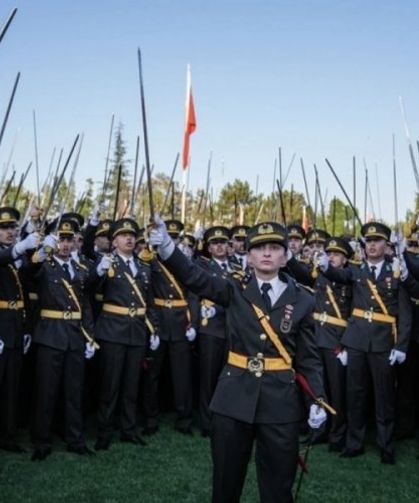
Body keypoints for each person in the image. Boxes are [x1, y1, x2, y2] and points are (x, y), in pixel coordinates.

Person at [150, 217, 327, 503]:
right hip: (233, 398)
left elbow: (308, 358)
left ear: (286, 256)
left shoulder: (303, 299)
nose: (266, 253)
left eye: (273, 247)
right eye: (259, 248)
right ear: (249, 256)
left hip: (280, 402)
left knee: (278, 488)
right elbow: (196, 278)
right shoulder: (233, 287)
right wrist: (169, 249)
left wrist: (317, 398)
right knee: (225, 484)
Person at [319, 222, 412, 464]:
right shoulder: (356, 271)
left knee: (384, 398)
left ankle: (386, 446)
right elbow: (337, 274)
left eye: (377, 240)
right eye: (368, 241)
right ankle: (354, 443)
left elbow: (405, 314)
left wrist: (401, 346)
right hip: (357, 341)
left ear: (386, 245)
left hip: (383, 343)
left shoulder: (396, 272)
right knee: (355, 395)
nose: (372, 245)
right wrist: (324, 266)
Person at [30, 219, 95, 461]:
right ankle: (42, 441)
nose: (65, 244)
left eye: (69, 239)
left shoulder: (79, 270)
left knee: (74, 391)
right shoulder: (44, 265)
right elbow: (30, 272)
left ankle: (75, 440)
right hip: (50, 335)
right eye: (61, 239)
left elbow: (85, 305)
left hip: (74, 336)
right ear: (53, 241)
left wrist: (90, 336)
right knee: (46, 391)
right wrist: (41, 251)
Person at [92, 218, 159, 450]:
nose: (129, 238)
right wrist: (98, 272)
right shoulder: (106, 264)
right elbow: (88, 289)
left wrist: (154, 328)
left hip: (137, 331)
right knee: (110, 386)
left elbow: (149, 302)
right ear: (114, 241)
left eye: (132, 235)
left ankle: (128, 430)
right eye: (123, 235)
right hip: (112, 330)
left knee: (132, 385)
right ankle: (104, 431)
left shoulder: (143, 266)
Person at [143, 219, 198, 436]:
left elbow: (193, 293)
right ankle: (150, 418)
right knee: (152, 375)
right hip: (158, 320)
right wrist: (152, 325)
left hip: (180, 322)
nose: (173, 241)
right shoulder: (151, 259)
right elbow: (145, 293)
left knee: (182, 375)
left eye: (176, 238)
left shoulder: (183, 261)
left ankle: (184, 419)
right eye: (170, 237)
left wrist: (193, 322)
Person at [0, 207, 39, 453]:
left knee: (11, 387)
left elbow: (27, 292)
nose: (10, 232)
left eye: (13, 228)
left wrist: (25, 328)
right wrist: (20, 247)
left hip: (14, 327)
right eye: (4, 229)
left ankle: (7, 436)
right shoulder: (9, 253)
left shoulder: (19, 258)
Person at [196, 226, 231, 437]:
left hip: (232, 328)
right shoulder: (204, 266)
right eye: (215, 243)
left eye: (223, 242)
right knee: (208, 378)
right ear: (209, 247)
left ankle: (224, 419)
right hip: (211, 328)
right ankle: (207, 423)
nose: (220, 246)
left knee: (228, 379)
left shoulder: (237, 266)